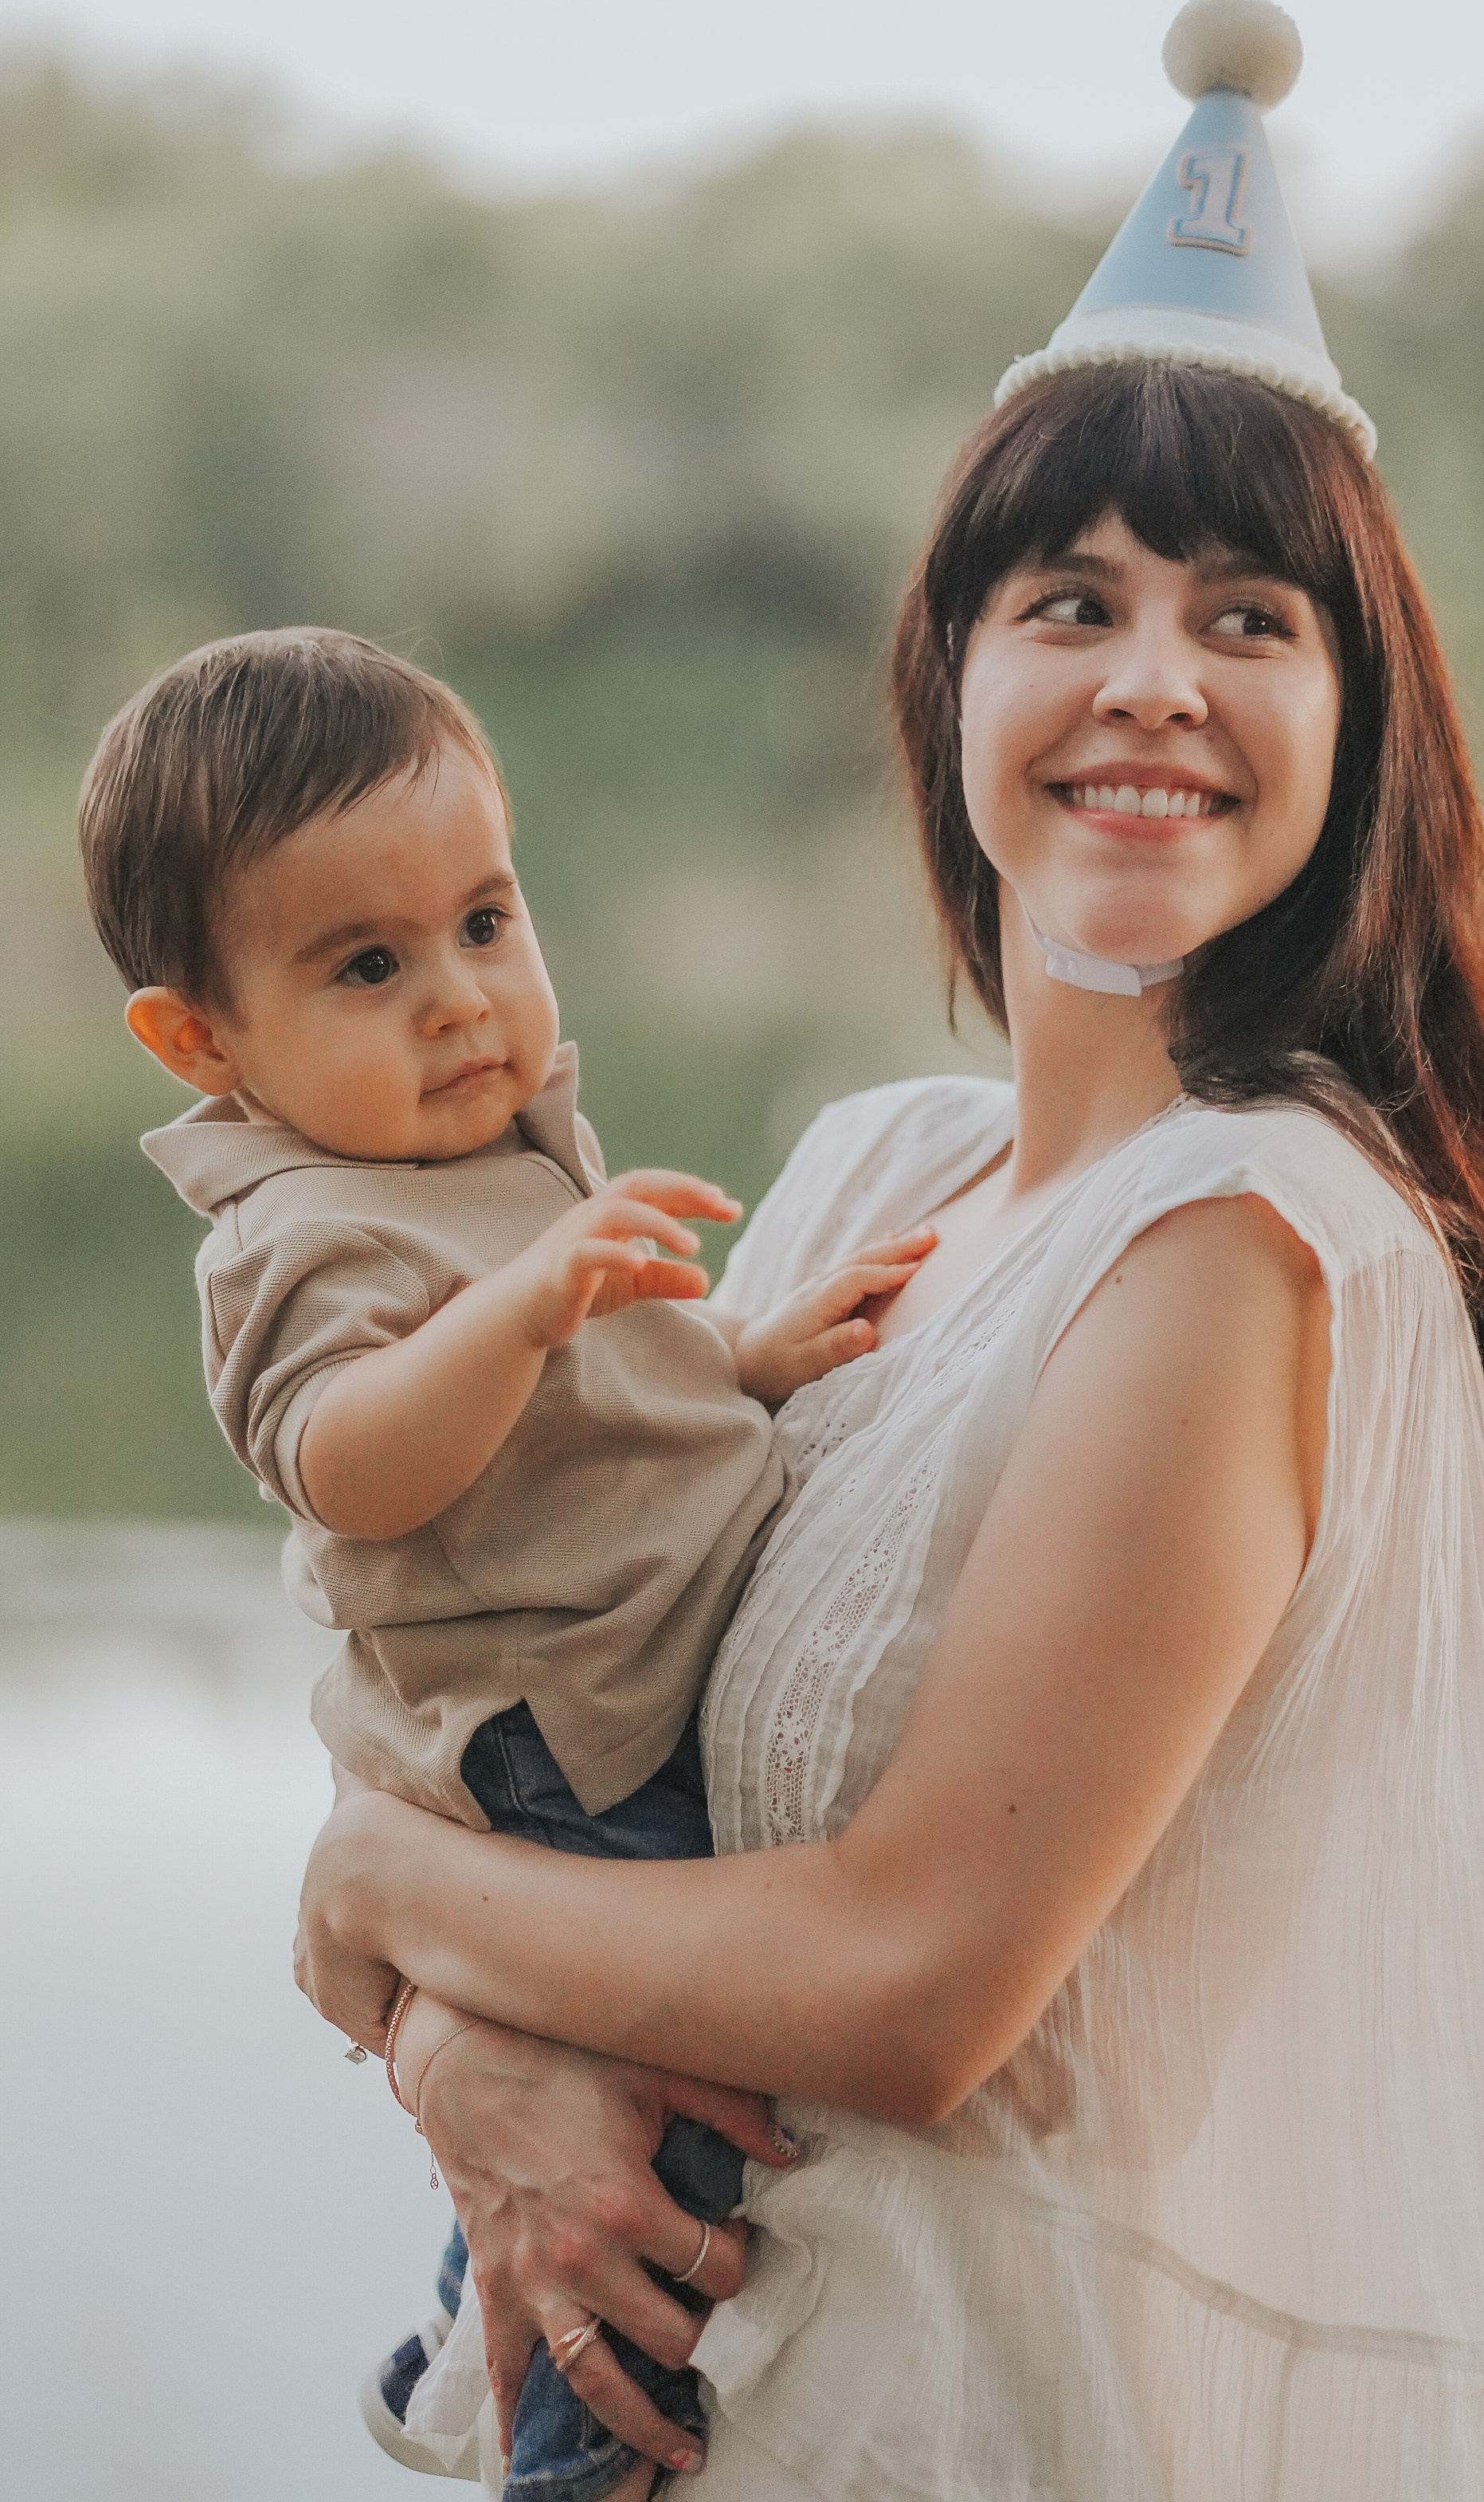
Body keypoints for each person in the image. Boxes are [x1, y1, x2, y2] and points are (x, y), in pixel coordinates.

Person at [295, 0, 1484, 2498]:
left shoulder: (1250, 1241)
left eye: (1252, 619)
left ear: (1354, 730)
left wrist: (377, 1885)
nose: (1154, 680)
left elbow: (912, 1985)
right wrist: (450, 2044)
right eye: (1074, 600)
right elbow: (578, 1732)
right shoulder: (870, 1183)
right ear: (950, 675)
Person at [77, 629, 931, 2502]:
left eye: (482, 917)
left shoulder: (491, 1129)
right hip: (564, 1764)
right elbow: (354, 1460)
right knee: (645, 2141)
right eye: (367, 965)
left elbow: (601, 1414)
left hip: (620, 1695)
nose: (462, 996)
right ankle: (576, 2459)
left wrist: (752, 1349)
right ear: (202, 1036)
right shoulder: (297, 1230)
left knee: (586, 2103)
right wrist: (527, 1307)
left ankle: (453, 2357)